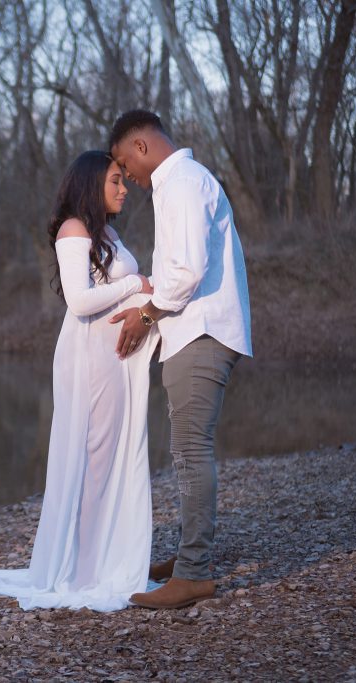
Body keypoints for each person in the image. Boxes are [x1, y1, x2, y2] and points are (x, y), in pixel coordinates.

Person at [0, 150, 162, 611]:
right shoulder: (74, 230)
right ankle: (84, 572)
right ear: (91, 184)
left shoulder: (108, 231)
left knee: (112, 456)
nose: (124, 188)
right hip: (90, 357)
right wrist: (136, 285)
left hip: (112, 357)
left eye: (123, 181)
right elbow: (81, 302)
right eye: (114, 181)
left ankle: (104, 559)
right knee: (94, 458)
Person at [108, 110, 252, 610]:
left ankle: (194, 573)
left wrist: (145, 317)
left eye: (126, 165)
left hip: (203, 331)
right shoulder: (182, 183)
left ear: (142, 148)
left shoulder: (183, 182)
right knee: (187, 450)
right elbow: (177, 269)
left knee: (191, 450)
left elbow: (187, 271)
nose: (128, 178)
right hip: (196, 330)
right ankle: (191, 557)